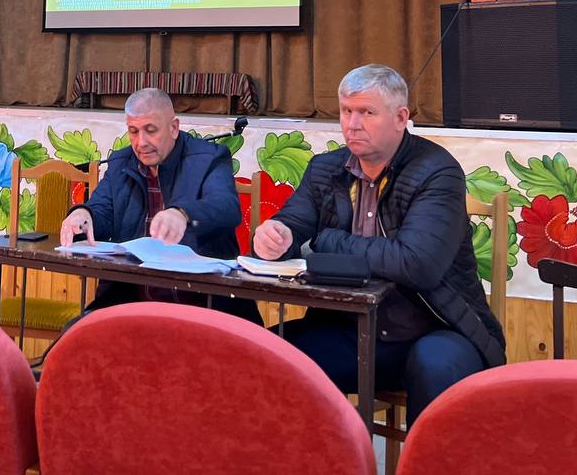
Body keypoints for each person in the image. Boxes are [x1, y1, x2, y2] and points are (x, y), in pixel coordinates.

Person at [252, 63, 505, 424]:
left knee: (435, 366)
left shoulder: (437, 171)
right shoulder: (326, 168)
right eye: (346, 111)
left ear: (401, 118)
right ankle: (306, 452)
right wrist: (278, 236)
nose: (352, 124)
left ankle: (427, 455)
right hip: (349, 329)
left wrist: (326, 241)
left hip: (434, 328)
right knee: (261, 354)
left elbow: (416, 264)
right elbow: (293, 223)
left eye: (366, 113)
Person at [59, 87, 259, 321]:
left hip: (204, 305)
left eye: (151, 130)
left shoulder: (209, 158)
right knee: (74, 336)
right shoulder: (121, 162)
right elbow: (102, 210)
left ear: (173, 128)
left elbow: (226, 207)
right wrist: (83, 215)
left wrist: (182, 214)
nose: (141, 142)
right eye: (133, 132)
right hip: (130, 302)